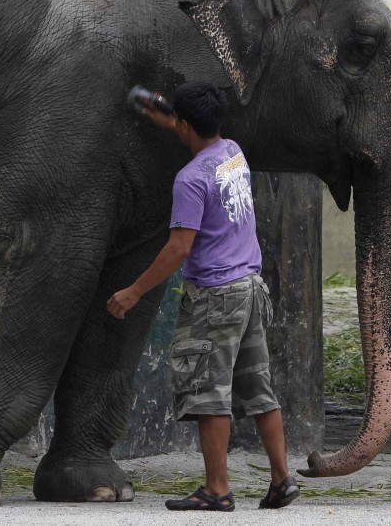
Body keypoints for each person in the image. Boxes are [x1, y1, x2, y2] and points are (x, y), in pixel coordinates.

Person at [107, 80, 299, 512]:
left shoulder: (190, 180)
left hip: (216, 297)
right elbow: (198, 135)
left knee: (210, 393)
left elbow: (179, 248)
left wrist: (134, 291)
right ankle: (282, 479)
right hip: (250, 289)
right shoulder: (233, 152)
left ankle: (217, 489)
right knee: (258, 389)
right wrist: (173, 119)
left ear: (186, 125)